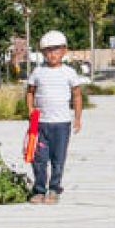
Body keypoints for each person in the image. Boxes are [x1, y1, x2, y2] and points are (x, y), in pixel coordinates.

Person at [26, 31, 85, 204]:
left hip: (62, 123)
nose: (52, 54)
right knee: (39, 158)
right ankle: (39, 189)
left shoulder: (69, 73)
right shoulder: (38, 72)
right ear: (43, 52)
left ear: (64, 51)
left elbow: (77, 96)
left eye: (56, 50)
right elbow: (30, 92)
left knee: (58, 159)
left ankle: (54, 188)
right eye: (48, 50)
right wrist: (30, 110)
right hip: (40, 122)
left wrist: (78, 118)